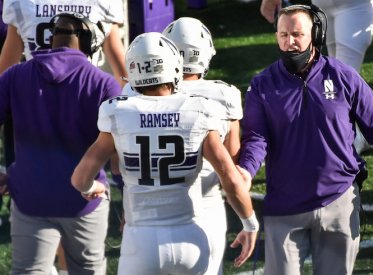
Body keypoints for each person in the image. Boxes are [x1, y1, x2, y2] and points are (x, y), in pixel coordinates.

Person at [238, 4, 373, 274]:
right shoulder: (262, 83)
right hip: (285, 207)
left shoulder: (343, 76)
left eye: (297, 34)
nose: (290, 41)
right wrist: (246, 171)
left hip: (339, 201)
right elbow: (255, 138)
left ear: (315, 35)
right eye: (283, 35)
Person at [72, 32, 259, 275]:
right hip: (189, 235)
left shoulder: (118, 111)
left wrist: (90, 188)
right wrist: (250, 224)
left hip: (141, 240)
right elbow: (230, 177)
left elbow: (80, 178)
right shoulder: (198, 110)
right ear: (175, 67)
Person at [0, 12, 121, 274]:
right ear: (88, 40)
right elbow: (121, 149)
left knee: (28, 271)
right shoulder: (104, 84)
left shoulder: (13, 77)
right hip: (85, 200)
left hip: (29, 199)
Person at [162, 17, 243, 275]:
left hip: (154, 202)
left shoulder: (137, 93)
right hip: (206, 202)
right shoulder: (226, 94)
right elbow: (232, 156)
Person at [260, 0, 373, 154]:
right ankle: (363, 130)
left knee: (341, 79)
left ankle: (350, 140)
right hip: (322, 8)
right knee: (334, 75)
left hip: (355, 6)